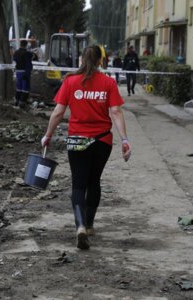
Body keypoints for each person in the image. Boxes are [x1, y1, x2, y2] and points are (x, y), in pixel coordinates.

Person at [41, 45, 132, 250]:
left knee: (78, 185)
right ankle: (89, 225)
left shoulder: (70, 81)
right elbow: (116, 112)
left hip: (77, 141)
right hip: (102, 141)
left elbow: (57, 113)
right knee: (94, 181)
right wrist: (125, 139)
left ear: (82, 59)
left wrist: (48, 135)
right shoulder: (108, 82)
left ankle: (80, 225)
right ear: (101, 61)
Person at [13, 40, 33, 108]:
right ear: (26, 45)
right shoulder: (27, 53)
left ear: (20, 44)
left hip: (18, 71)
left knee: (19, 87)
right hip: (25, 72)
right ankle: (22, 103)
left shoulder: (16, 53)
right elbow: (28, 64)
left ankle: (17, 101)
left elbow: (15, 60)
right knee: (25, 87)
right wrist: (27, 73)